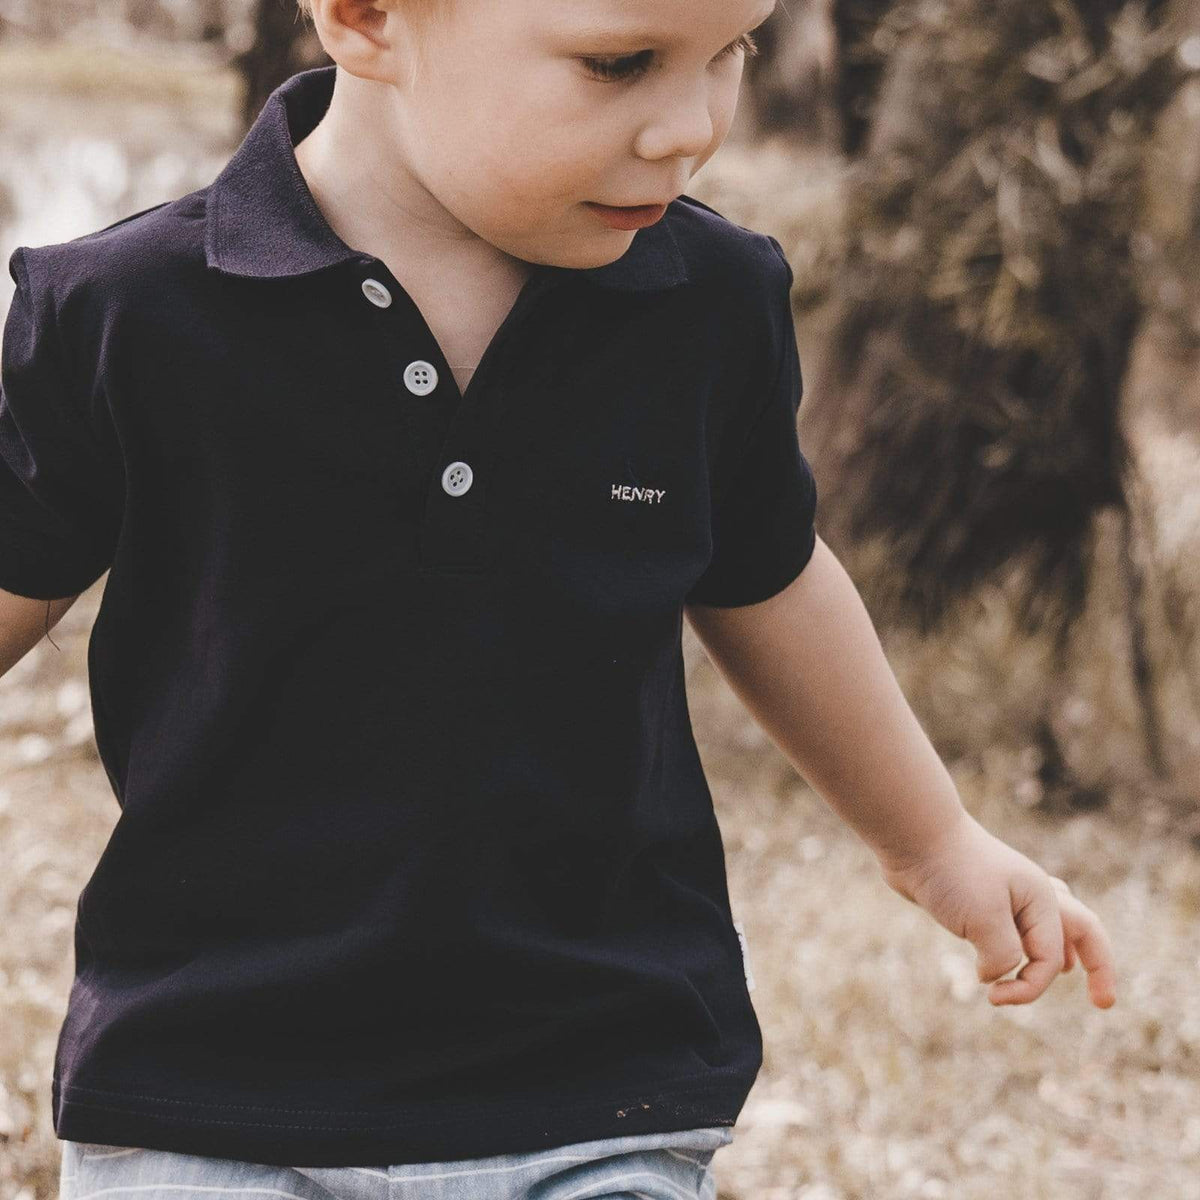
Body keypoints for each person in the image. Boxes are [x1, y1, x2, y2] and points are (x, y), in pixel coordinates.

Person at [0, 0, 1117, 1196]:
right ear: (368, 17)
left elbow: (771, 580)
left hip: (595, 1086)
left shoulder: (712, 299)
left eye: (729, 51)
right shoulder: (124, 312)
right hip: (205, 1088)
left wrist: (935, 841)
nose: (689, 129)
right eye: (620, 63)